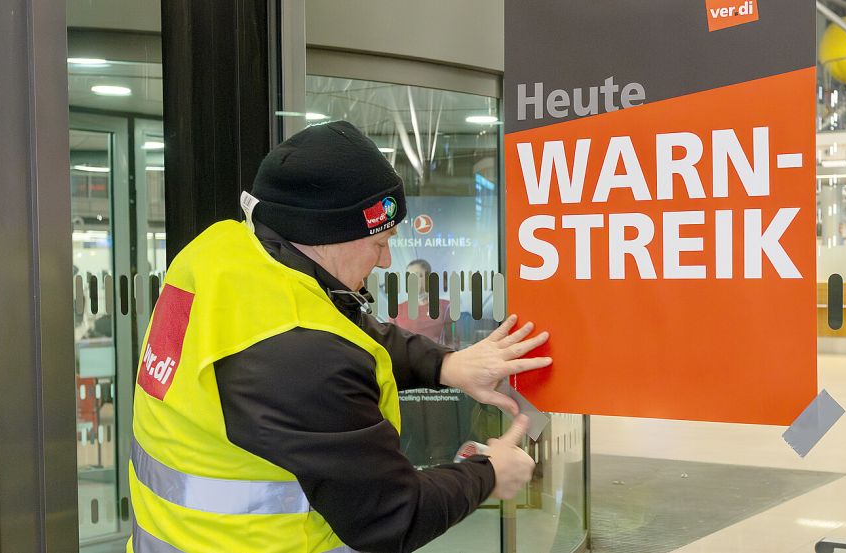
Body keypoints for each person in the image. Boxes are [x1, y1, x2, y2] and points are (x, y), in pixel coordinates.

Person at [127, 120, 552, 553]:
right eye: (380, 241)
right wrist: (490, 473)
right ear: (325, 236)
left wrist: (445, 366)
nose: (387, 261)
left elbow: (337, 325)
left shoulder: (219, 255)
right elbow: (393, 515)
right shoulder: (299, 358)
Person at [391, 259, 453, 345]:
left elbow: (452, 342)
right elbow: (392, 343)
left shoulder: (446, 307)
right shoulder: (396, 311)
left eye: (417, 275)